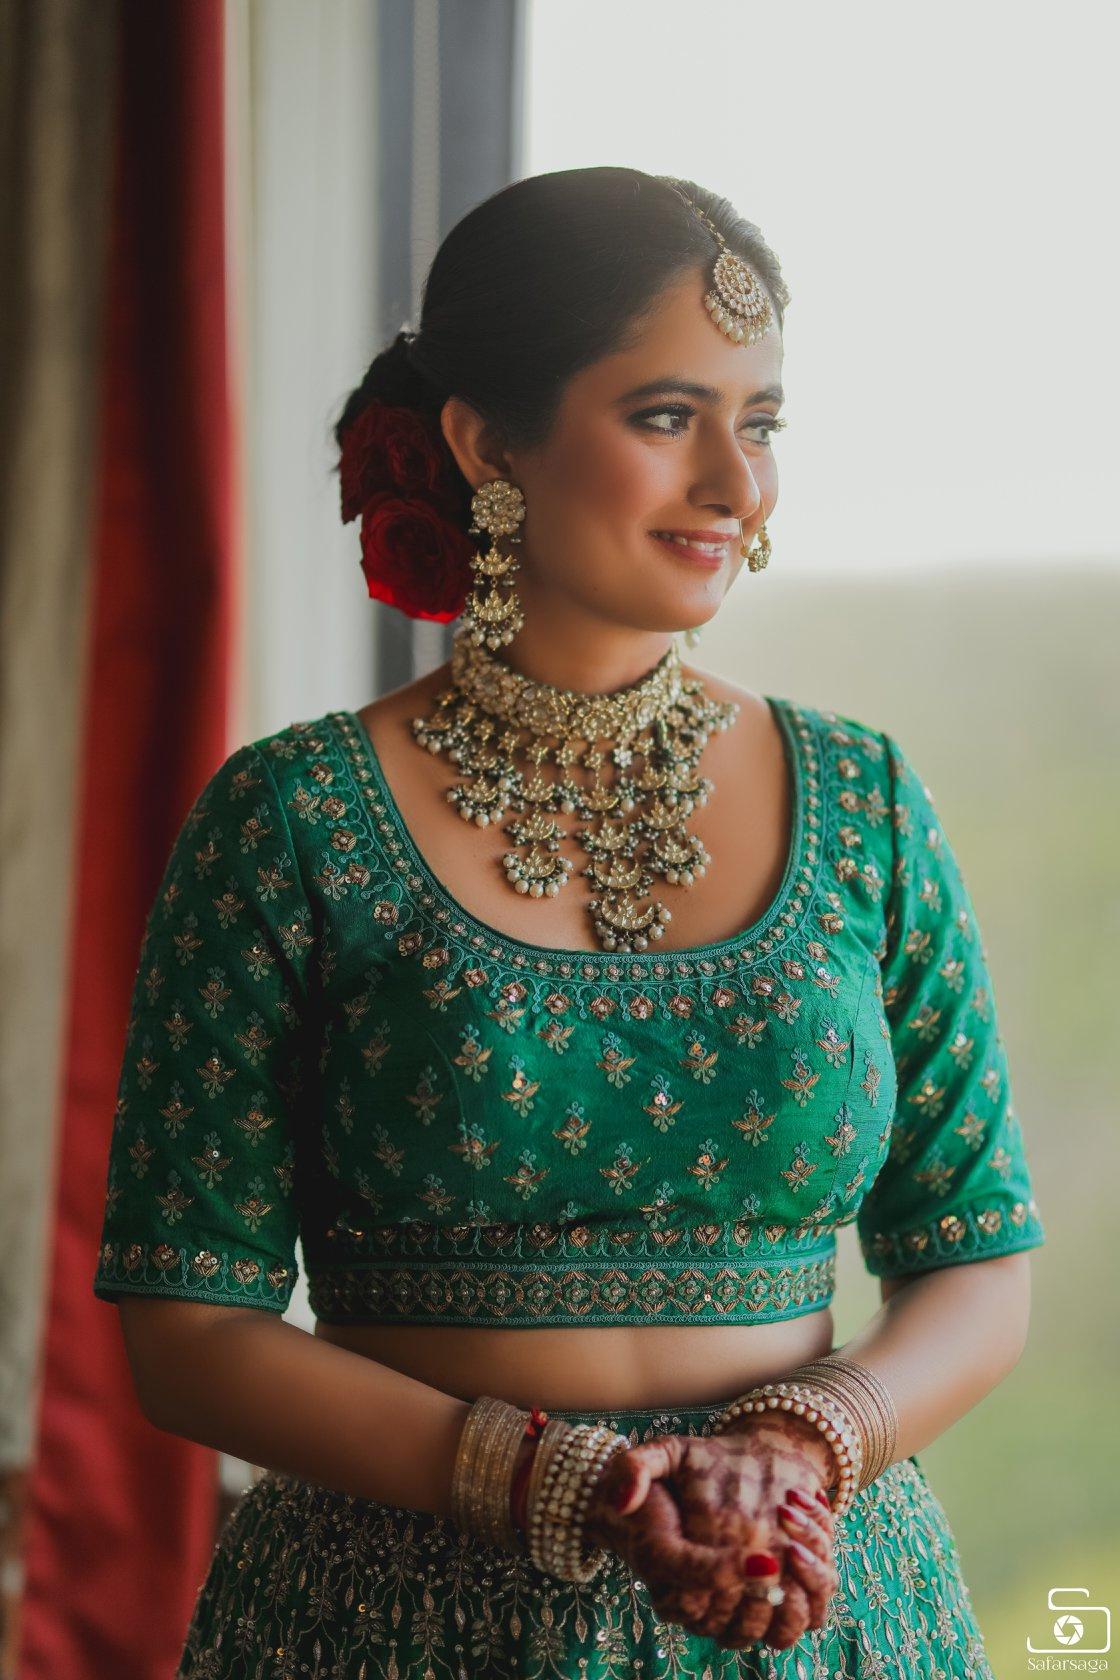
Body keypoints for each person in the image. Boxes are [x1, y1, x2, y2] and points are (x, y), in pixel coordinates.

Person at [93, 166, 1046, 1679]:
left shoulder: (862, 802)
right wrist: (569, 1485)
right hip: (392, 1619)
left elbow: (980, 1255)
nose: (739, 484)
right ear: (488, 441)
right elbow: (182, 1325)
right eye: (669, 417)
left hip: (810, 1598)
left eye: (765, 421)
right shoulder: (290, 823)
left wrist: (806, 1442)